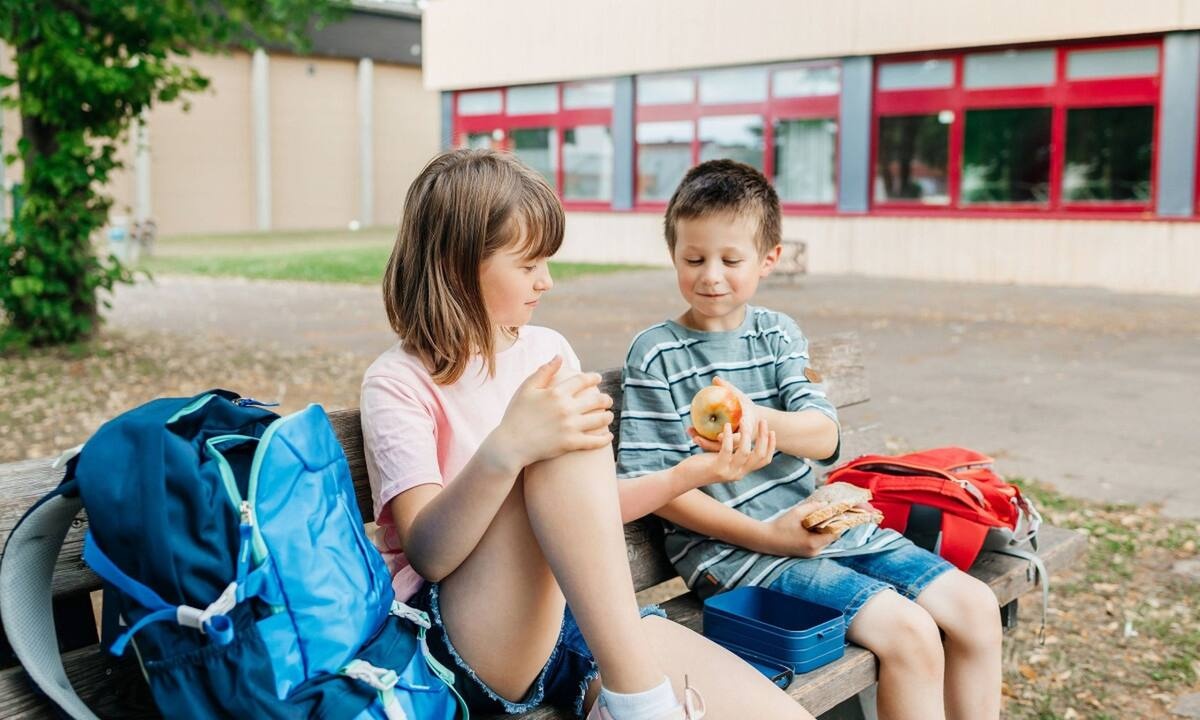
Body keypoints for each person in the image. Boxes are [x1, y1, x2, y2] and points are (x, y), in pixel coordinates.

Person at [360, 149, 817, 720]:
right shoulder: (398, 381)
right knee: (555, 441)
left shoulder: (547, 350)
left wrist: (694, 473)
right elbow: (429, 555)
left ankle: (629, 700)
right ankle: (641, 704)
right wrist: (507, 448)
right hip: (468, 634)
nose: (546, 282)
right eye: (527, 265)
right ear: (456, 266)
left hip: (584, 622)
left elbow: (579, 515)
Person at [615, 159, 1003, 720]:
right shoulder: (656, 353)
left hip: (819, 526)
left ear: (769, 259)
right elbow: (653, 485)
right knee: (910, 633)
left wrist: (755, 415)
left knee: (976, 606)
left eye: (731, 259)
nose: (711, 276)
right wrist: (768, 536)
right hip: (734, 553)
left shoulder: (777, 334)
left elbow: (824, 438)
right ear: (673, 252)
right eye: (693, 259)